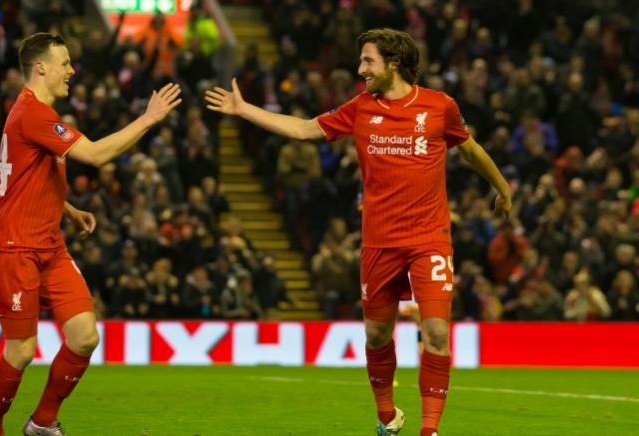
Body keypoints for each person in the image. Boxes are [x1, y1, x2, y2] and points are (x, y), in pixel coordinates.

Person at [206, 28, 512, 436]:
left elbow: (470, 149)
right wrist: (246, 111)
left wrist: (502, 187)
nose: (360, 69)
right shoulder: (360, 108)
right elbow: (303, 129)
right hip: (379, 242)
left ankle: (430, 430)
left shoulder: (440, 107)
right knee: (376, 333)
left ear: (394, 63)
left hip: (429, 238)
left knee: (436, 330)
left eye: (368, 61)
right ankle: (386, 416)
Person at [0, 32, 181, 436]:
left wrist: (64, 208)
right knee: (21, 351)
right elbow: (96, 155)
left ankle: (42, 422)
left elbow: (19, 175)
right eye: (65, 62)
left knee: (85, 336)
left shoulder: (30, 114)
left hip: (48, 243)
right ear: (41, 68)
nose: (71, 70)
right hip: (13, 246)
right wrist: (148, 118)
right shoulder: (33, 114)